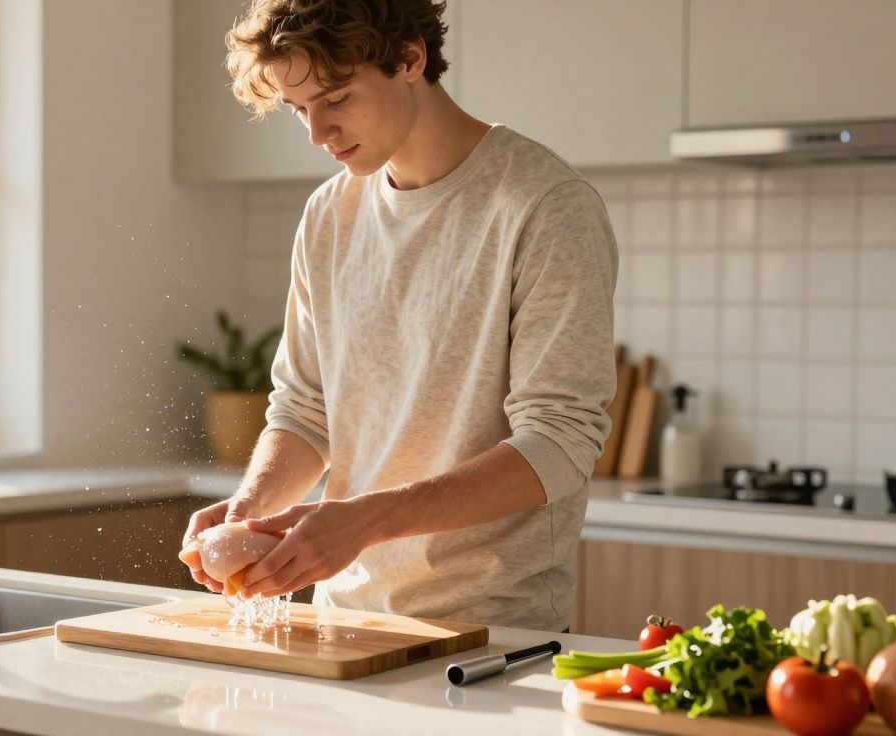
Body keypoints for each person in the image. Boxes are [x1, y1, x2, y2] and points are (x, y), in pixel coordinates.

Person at [181, 0, 617, 632]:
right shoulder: (329, 214)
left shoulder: (545, 206)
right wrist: (248, 510)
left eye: (335, 98)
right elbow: (307, 409)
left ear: (410, 58)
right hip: (344, 621)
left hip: (493, 634)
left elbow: (559, 445)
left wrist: (365, 521)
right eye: (299, 109)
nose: (316, 133)